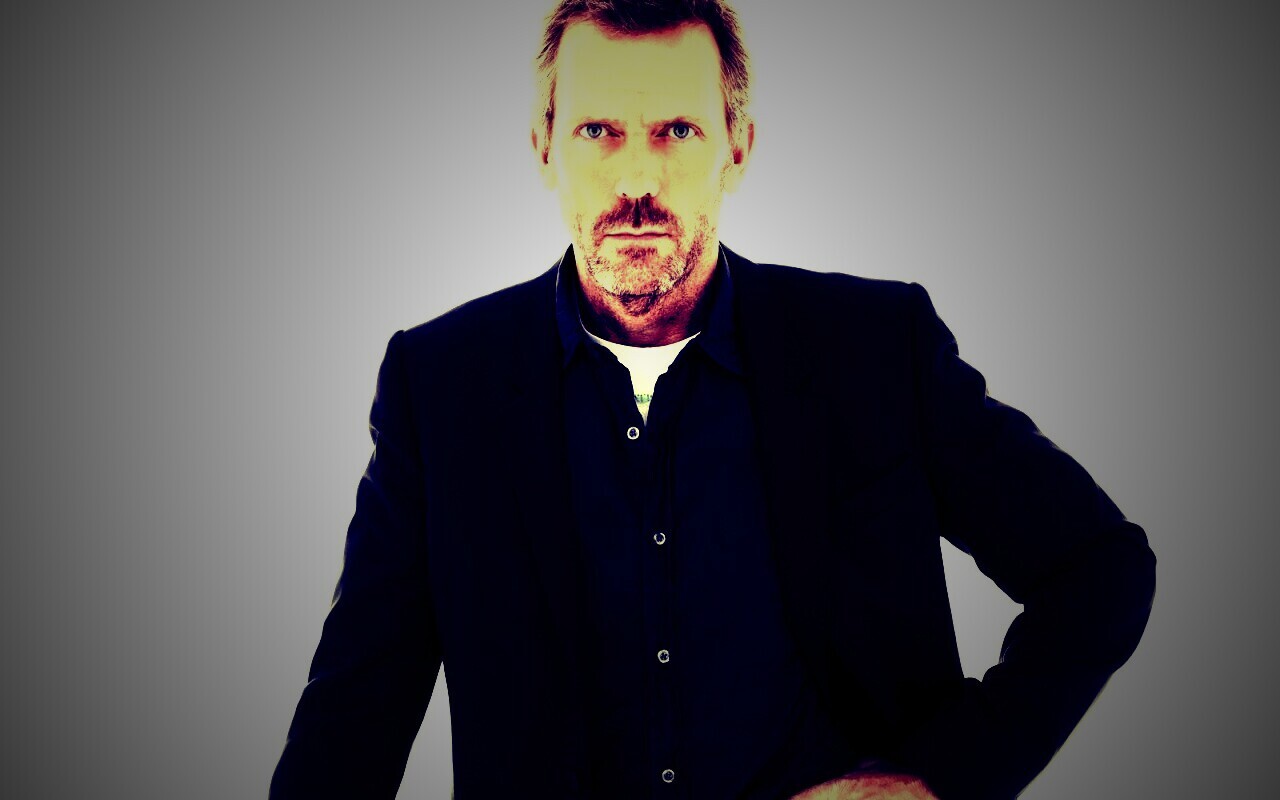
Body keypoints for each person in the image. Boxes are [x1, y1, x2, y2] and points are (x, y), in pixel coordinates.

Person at [269, 2, 1156, 798]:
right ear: (543, 146)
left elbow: (1098, 567)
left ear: (738, 146)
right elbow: (352, 722)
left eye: (678, 131)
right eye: (598, 130)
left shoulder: (878, 349)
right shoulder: (440, 384)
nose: (636, 180)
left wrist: (939, 777)